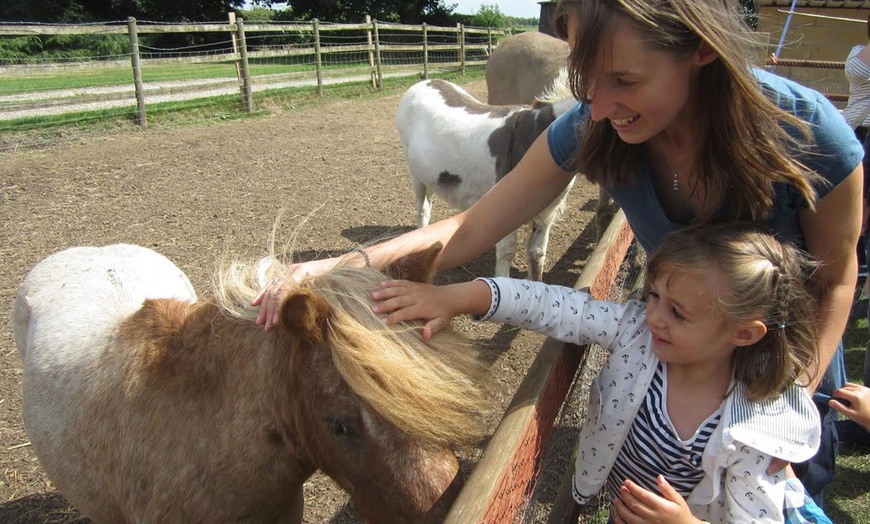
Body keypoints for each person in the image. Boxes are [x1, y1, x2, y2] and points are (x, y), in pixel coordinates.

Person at [254, 0, 863, 505]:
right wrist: (339, 267)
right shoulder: (599, 126)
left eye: (625, 80)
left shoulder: (807, 133)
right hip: (670, 375)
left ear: (701, 49)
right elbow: (476, 223)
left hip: (777, 372)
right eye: (586, 80)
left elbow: (836, 279)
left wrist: (785, 403)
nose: (598, 105)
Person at [371, 223, 825, 522]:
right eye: (653, 297)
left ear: (744, 334)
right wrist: (457, 298)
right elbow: (552, 306)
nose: (654, 317)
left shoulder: (754, 432)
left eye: (678, 313)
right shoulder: (638, 333)